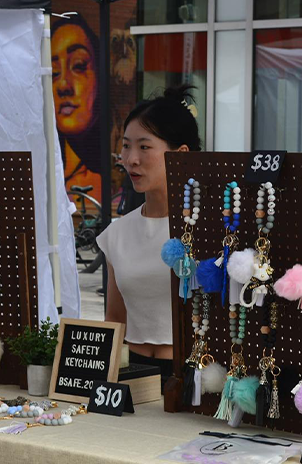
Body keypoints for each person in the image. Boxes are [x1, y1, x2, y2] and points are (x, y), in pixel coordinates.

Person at [96, 85, 202, 385]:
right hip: (135, 376)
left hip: (195, 375)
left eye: (144, 147)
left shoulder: (205, 229)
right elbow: (115, 320)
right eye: (126, 146)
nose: (131, 159)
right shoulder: (117, 233)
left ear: (180, 154)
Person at [51, 14, 102, 202]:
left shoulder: (115, 184)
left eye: (79, 66)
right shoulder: (43, 177)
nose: (63, 85)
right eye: (54, 72)